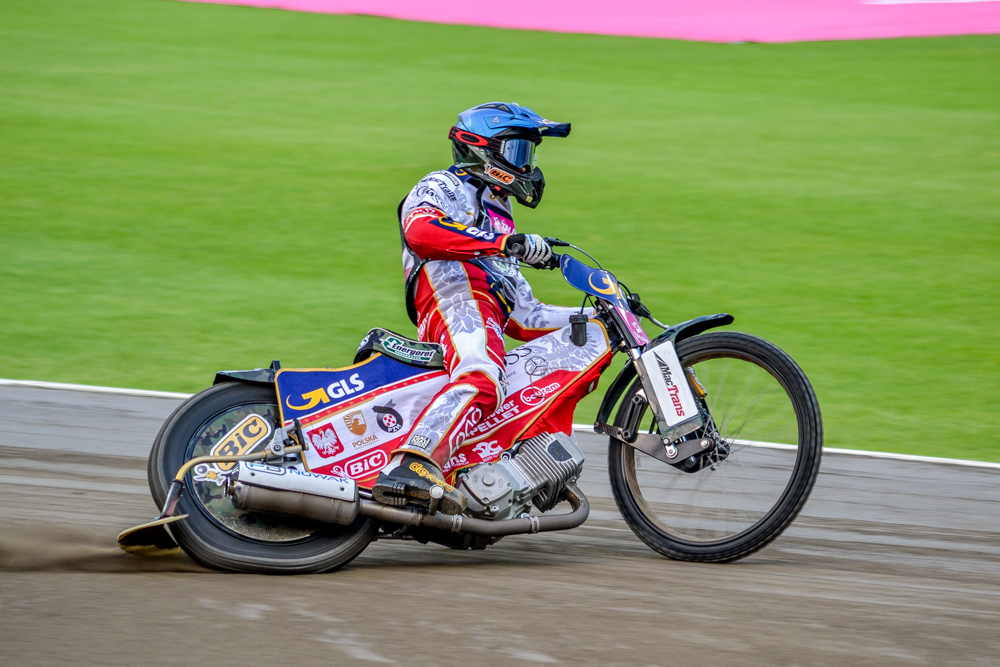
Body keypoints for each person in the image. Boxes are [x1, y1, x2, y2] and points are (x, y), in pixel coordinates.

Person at [372, 102, 584, 515]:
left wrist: (599, 318)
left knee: (519, 375)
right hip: (452, 296)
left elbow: (526, 317)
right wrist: (505, 245)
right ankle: (413, 466)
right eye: (519, 151)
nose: (529, 165)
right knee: (483, 377)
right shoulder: (445, 184)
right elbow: (419, 230)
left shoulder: (498, 214)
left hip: (483, 305)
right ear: (484, 149)